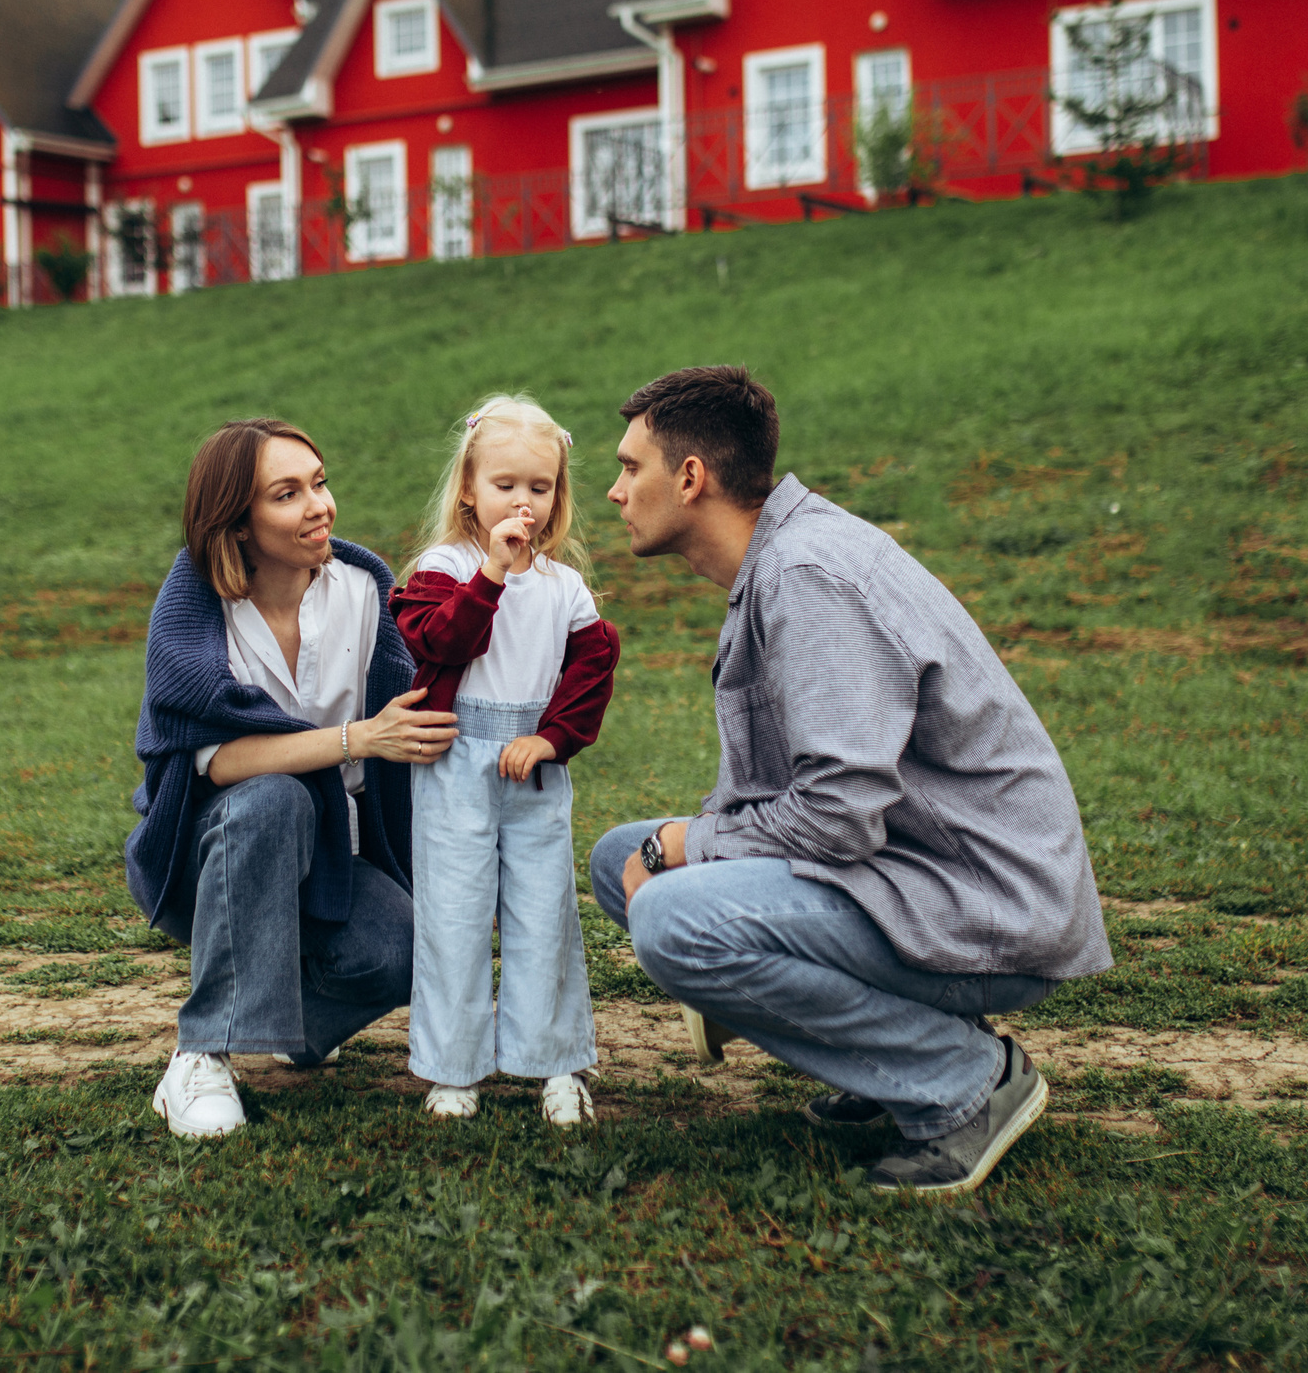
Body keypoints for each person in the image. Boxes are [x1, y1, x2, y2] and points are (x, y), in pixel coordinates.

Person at [588, 367, 1112, 1194]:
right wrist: (685, 848)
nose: (615, 491)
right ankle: (884, 1065)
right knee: (621, 859)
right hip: (914, 872)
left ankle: (963, 1083)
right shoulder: (783, 558)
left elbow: (839, 813)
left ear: (690, 478)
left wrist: (694, 845)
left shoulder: (808, 576)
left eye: (629, 467)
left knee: (669, 914)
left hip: (985, 902)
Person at [127, 418, 460, 1138]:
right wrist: (356, 738)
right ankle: (199, 1057)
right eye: (287, 493)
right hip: (207, 859)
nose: (319, 505)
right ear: (237, 523)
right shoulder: (193, 610)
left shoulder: (366, 591)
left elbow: (421, 713)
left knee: (403, 947)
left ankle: (288, 1023)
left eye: (319, 481)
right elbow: (219, 760)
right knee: (273, 797)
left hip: (329, 859)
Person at [393, 396, 621, 1126]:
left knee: (542, 912)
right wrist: (490, 573)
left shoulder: (563, 586)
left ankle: (555, 1062)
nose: (522, 502)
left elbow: (594, 665)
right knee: (455, 914)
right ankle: (453, 1066)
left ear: (557, 496)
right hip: (456, 762)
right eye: (505, 485)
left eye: (540, 487)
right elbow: (439, 643)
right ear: (468, 487)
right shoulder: (444, 567)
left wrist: (553, 737)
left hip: (534, 769)